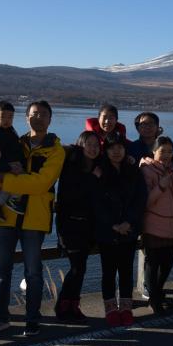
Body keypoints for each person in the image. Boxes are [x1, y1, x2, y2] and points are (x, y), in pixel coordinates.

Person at [0, 100, 65, 338]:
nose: (37, 117)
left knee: (33, 272)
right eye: (33, 114)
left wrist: (4, 180)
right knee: (0, 271)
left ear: (50, 119)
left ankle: (32, 320)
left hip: (34, 219)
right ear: (26, 118)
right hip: (6, 217)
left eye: (42, 114)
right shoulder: (12, 142)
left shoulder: (55, 150)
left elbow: (41, 183)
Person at [94, 133, 148, 327]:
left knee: (126, 271)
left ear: (125, 150)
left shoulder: (133, 171)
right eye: (111, 148)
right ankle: (110, 309)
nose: (116, 152)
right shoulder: (99, 171)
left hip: (129, 230)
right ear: (106, 151)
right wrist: (112, 224)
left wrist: (128, 222)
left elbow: (140, 199)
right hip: (107, 231)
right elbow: (97, 202)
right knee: (108, 272)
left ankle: (125, 308)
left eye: (120, 148)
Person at [54, 131, 102, 323]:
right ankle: (63, 306)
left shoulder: (98, 166)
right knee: (77, 268)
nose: (93, 148)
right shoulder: (71, 167)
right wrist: (93, 178)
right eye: (89, 144)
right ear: (81, 145)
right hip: (71, 224)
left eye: (96, 145)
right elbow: (71, 196)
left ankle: (73, 306)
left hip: (88, 226)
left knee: (80, 268)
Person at [140, 136, 173, 315]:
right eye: (162, 151)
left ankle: (157, 294)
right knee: (153, 264)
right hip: (153, 224)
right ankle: (154, 299)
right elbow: (145, 202)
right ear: (154, 152)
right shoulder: (146, 170)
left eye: (169, 151)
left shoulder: (171, 170)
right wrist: (160, 186)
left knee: (167, 264)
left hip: (171, 224)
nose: (166, 155)